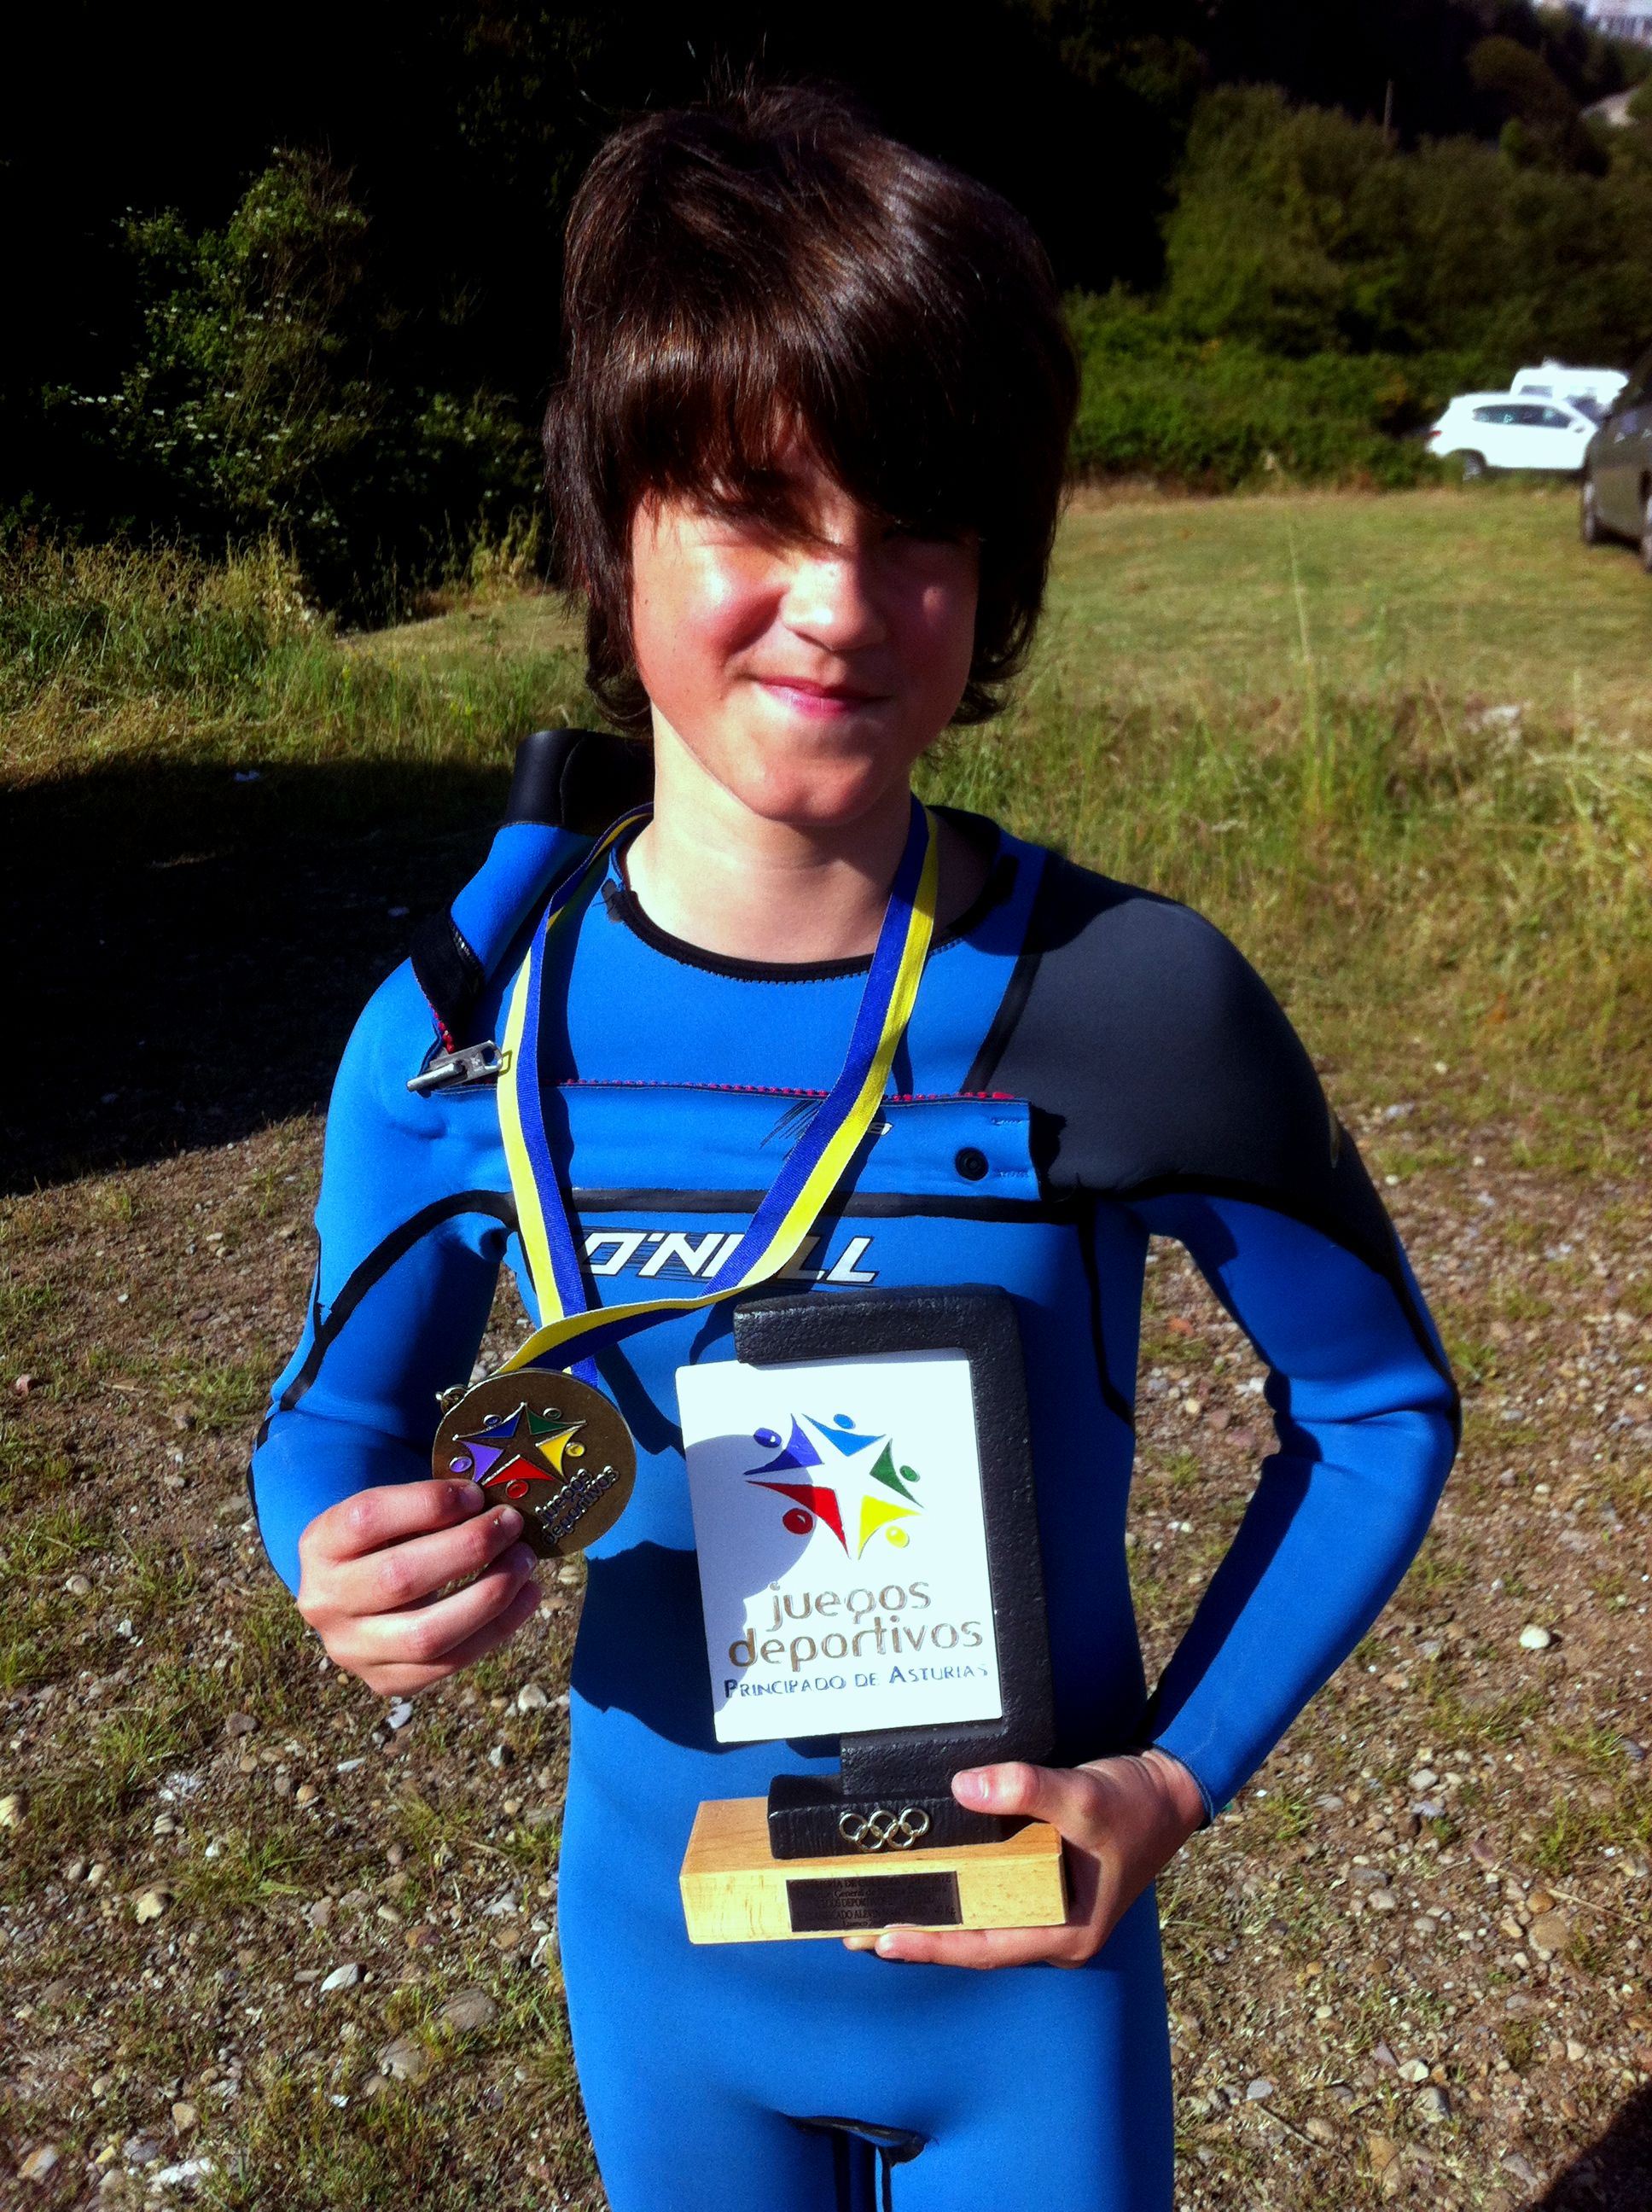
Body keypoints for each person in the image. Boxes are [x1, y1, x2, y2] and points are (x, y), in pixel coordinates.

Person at [250, 84, 1458, 2212]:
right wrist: (333, 1559)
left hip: (1023, 2003)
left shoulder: (1134, 994)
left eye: (911, 528)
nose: (833, 601)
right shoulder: (456, 1038)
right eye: (749, 507)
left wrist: (1170, 1782)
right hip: (666, 1983)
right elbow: (327, 1421)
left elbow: (1374, 1409)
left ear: (991, 577)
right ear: (606, 517)